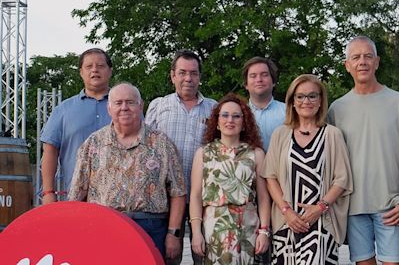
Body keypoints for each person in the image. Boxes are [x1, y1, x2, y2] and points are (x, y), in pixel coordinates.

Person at [68, 83, 187, 262]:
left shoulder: (162, 144)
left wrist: (174, 234)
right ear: (109, 108)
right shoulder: (93, 144)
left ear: (141, 106)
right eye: (118, 103)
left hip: (150, 228)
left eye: (130, 102)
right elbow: (78, 192)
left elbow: (178, 193)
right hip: (103, 227)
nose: (124, 107)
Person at [328, 36, 399, 265]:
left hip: (391, 205)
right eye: (356, 57)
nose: (362, 62)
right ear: (347, 65)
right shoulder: (336, 109)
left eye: (368, 56)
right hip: (353, 206)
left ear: (377, 62)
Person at [262, 74, 353, 264]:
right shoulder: (281, 134)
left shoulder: (332, 135)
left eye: (313, 96)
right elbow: (270, 177)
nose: (306, 101)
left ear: (321, 101)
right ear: (292, 102)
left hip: (321, 224)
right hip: (286, 223)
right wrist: (286, 211)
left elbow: (342, 179)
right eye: (300, 96)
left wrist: (320, 208)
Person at [146, 49, 217, 264]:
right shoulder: (158, 106)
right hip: (165, 197)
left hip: (204, 197)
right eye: (183, 72)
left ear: (199, 77)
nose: (188, 78)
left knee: (204, 254)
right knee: (169, 255)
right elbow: (146, 150)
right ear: (173, 75)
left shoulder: (214, 109)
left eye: (194, 73)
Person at [189, 93, 271, 264]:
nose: (230, 120)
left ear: (244, 123)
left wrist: (264, 231)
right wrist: (196, 232)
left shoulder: (256, 154)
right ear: (217, 122)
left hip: (248, 231)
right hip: (213, 231)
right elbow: (196, 196)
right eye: (224, 115)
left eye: (236, 116)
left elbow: (263, 198)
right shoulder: (203, 154)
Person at [40, 48, 112, 204]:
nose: (94, 70)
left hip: (118, 198)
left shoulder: (125, 106)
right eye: (89, 66)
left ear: (110, 71)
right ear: (81, 72)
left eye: (100, 66)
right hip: (76, 197)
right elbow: (50, 151)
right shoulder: (64, 110)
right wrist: (47, 192)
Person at [242, 57, 286, 152]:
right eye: (253, 76)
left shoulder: (288, 112)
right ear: (246, 84)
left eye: (264, 75)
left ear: (273, 81)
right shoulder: (238, 114)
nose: (259, 79)